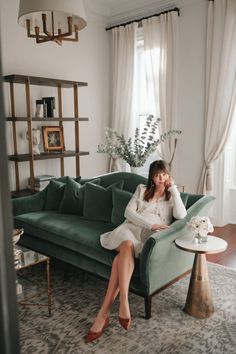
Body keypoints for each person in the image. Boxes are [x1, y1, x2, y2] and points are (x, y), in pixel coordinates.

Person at [85, 160, 187, 343]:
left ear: (168, 175)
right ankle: (124, 301)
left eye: (163, 174)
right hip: (128, 229)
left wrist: (174, 189)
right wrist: (152, 224)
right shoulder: (141, 189)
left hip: (143, 238)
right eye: (156, 175)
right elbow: (128, 213)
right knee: (126, 244)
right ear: (152, 177)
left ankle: (103, 314)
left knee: (120, 260)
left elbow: (182, 216)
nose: (160, 178)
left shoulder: (172, 197)